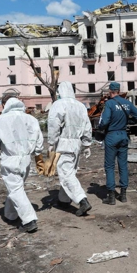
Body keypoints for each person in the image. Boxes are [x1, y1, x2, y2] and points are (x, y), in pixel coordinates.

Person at [0, 97, 43, 233]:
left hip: (10, 158)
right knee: (17, 187)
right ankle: (10, 214)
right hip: (26, 158)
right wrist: (38, 153)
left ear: (5, 105)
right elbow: (38, 139)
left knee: (16, 189)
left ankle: (29, 221)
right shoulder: (31, 119)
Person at [47, 81, 93, 216]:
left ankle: (82, 200)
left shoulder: (58, 104)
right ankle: (63, 199)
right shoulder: (81, 106)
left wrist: (51, 143)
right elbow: (87, 126)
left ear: (60, 91)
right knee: (69, 173)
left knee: (65, 174)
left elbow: (53, 124)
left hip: (64, 143)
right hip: (76, 144)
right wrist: (86, 144)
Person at [98, 82, 137, 205]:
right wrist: (129, 122)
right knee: (123, 165)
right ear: (118, 90)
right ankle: (123, 195)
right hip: (123, 135)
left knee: (110, 166)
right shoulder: (127, 103)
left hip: (112, 136)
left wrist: (100, 127)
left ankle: (111, 197)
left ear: (111, 91)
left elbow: (105, 121)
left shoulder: (109, 103)